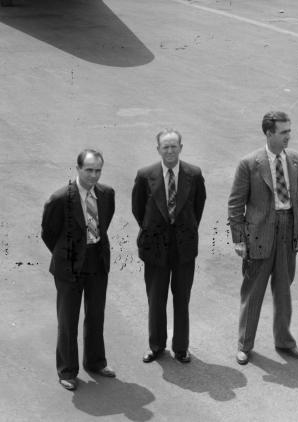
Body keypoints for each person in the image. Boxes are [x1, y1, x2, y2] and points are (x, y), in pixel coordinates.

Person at [228, 110, 298, 364]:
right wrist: (239, 239)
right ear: (269, 133)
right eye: (284, 132)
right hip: (259, 235)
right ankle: (244, 344)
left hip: (288, 231)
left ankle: (284, 342)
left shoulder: (296, 160)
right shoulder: (250, 163)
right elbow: (235, 204)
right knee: (253, 292)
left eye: (289, 131)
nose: (289, 136)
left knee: (284, 291)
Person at [41, 149, 116, 390]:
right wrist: (66, 253)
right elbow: (49, 233)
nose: (94, 176)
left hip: (97, 262)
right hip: (69, 266)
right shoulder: (60, 198)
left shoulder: (106, 194)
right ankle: (67, 370)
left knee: (96, 316)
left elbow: (104, 224)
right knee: (68, 320)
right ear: (78, 169)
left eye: (98, 170)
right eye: (89, 170)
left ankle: (95, 362)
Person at [131, 129, 206, 364]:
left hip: (184, 248)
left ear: (181, 148)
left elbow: (198, 207)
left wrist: (184, 228)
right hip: (155, 248)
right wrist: (153, 229)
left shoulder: (193, 174)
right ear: (158, 150)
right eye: (166, 147)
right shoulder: (145, 175)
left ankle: (181, 347)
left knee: (182, 298)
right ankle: (156, 346)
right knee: (156, 298)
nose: (170, 150)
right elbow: (139, 208)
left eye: (174, 146)